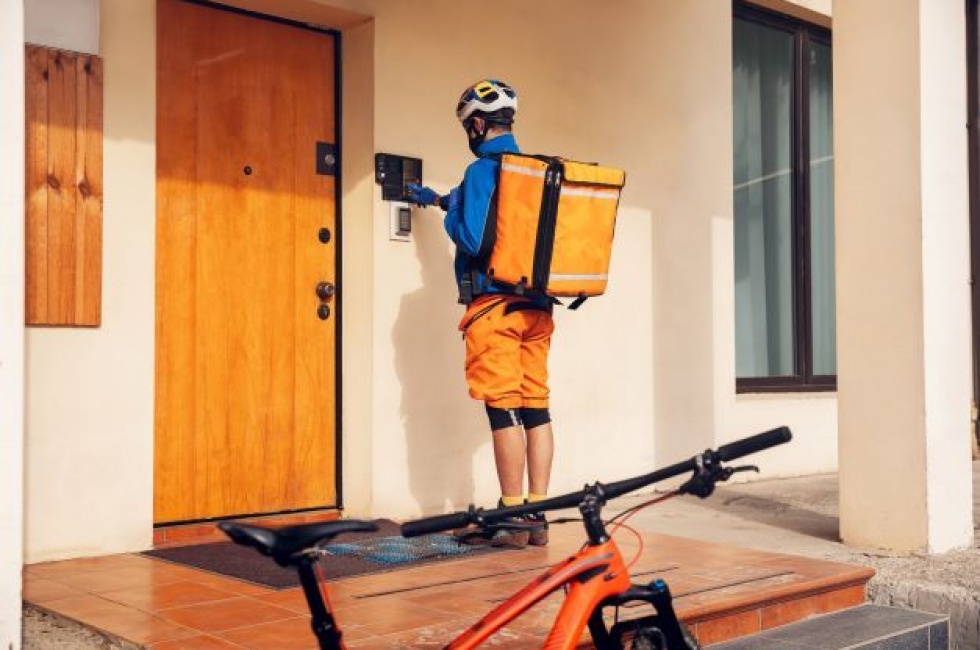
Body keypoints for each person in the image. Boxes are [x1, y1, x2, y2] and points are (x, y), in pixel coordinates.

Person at [408, 79, 553, 547]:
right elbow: (500, 220)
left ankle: (511, 517)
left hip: (494, 309)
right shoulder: (531, 172)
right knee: (536, 407)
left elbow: (472, 237)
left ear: (476, 124)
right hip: (537, 310)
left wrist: (449, 215)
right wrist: (439, 199)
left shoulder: (480, 171)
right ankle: (537, 515)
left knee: (502, 408)